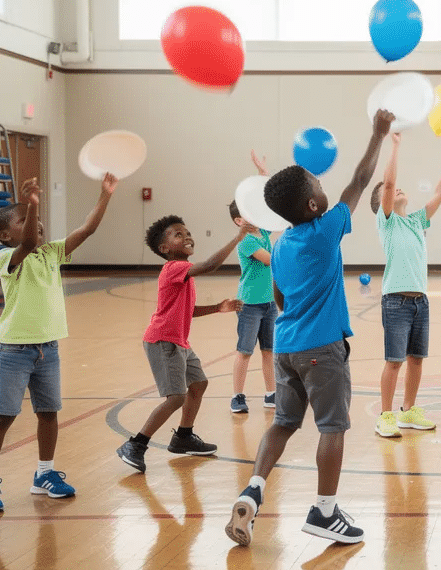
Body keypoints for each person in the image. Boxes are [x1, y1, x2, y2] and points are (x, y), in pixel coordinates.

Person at [225, 109, 393, 547]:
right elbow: (358, 182)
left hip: (286, 347)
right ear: (315, 206)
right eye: (318, 185)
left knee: (282, 423)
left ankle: (253, 490)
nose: (324, 184)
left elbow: (279, 298)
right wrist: (377, 134)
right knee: (332, 428)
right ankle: (324, 512)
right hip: (322, 348)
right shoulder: (324, 230)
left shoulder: (280, 244)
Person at [0, 175, 117, 513]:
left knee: (48, 414)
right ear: (5, 235)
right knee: (3, 417)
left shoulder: (52, 253)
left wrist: (104, 195)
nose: (36, 226)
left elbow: (88, 228)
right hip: (13, 351)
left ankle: (44, 474)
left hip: (47, 349)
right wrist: (33, 204)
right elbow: (26, 246)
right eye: (24, 221)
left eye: (35, 220)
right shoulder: (7, 258)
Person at [116, 216, 247, 473]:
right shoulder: (173, 268)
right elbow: (210, 265)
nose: (187, 236)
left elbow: (187, 310)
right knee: (176, 397)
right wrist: (238, 237)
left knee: (199, 383)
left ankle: (184, 436)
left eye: (187, 232)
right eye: (178, 235)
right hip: (163, 341)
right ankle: (136, 444)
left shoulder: (183, 274)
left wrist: (217, 308)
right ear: (164, 249)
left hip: (179, 341)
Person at [369, 136, 441, 438]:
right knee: (394, 362)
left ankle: (408, 410)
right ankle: (386, 415)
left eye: (397, 187)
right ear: (382, 203)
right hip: (395, 302)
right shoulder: (388, 221)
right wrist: (395, 146)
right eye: (390, 190)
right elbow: (389, 177)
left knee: (417, 360)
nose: (397, 188)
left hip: (420, 301)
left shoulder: (417, 221)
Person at [229, 151, 277, 414]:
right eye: (248, 212)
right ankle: (237, 396)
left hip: (269, 303)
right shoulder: (246, 241)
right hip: (249, 305)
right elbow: (270, 260)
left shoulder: (264, 231)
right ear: (239, 220)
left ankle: (271, 394)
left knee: (268, 352)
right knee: (245, 352)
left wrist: (263, 172)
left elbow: (267, 201)